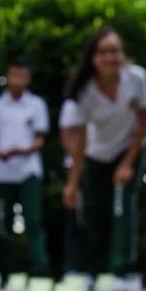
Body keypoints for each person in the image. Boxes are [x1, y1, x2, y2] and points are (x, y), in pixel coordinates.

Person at [62, 28, 146, 291]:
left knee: (122, 209)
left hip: (129, 149)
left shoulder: (137, 78)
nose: (110, 57)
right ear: (93, 58)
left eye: (115, 51)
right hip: (96, 153)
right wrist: (73, 181)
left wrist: (127, 163)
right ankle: (92, 271)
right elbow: (80, 139)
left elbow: (143, 124)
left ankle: (121, 271)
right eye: (103, 52)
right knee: (94, 213)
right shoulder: (84, 92)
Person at [0, 62, 51, 279]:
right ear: (7, 78)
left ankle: (39, 268)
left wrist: (22, 150)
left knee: (32, 219)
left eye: (22, 76)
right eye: (14, 76)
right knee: (4, 222)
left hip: (28, 170)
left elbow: (40, 138)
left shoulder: (36, 105)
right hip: (2, 172)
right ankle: (9, 270)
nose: (18, 80)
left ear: (28, 79)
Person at [59, 99, 82, 276]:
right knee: (73, 218)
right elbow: (66, 136)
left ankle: (97, 267)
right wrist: (79, 160)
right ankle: (72, 267)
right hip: (75, 166)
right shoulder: (70, 105)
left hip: (101, 167)